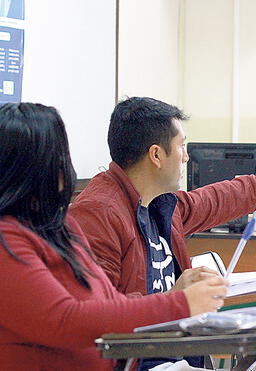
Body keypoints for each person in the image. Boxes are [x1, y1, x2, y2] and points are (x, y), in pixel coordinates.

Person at [69, 97, 256, 368]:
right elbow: (97, 316)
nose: (186, 156)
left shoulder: (159, 202)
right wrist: (174, 298)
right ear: (156, 155)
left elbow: (216, 199)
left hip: (176, 355)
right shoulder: (97, 214)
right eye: (182, 145)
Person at [0, 103, 228, 370]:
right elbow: (65, 320)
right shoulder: (8, 241)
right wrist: (179, 303)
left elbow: (108, 304)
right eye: (60, 158)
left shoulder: (59, 229)